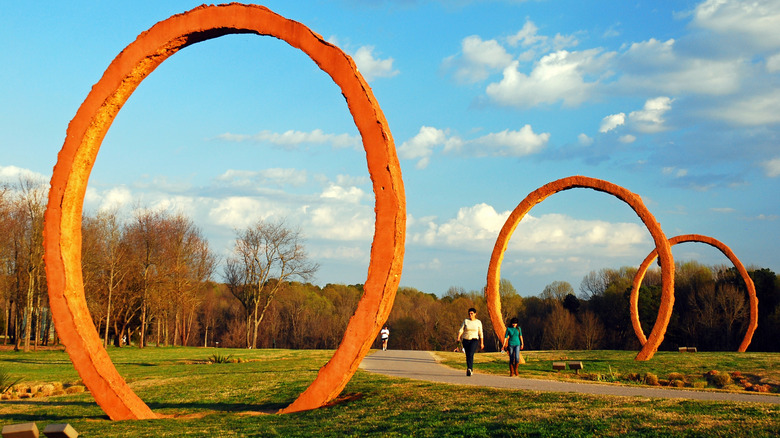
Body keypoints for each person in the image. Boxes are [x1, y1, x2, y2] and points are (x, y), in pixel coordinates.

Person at [456, 307, 484, 376]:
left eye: (472, 313)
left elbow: (481, 333)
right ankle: (469, 368)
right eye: (469, 314)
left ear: (475, 314)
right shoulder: (466, 321)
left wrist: (482, 343)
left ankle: (470, 369)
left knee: (471, 354)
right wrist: (458, 337)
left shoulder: (478, 322)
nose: (470, 315)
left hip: (474, 339)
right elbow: (461, 329)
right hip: (466, 339)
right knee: (467, 354)